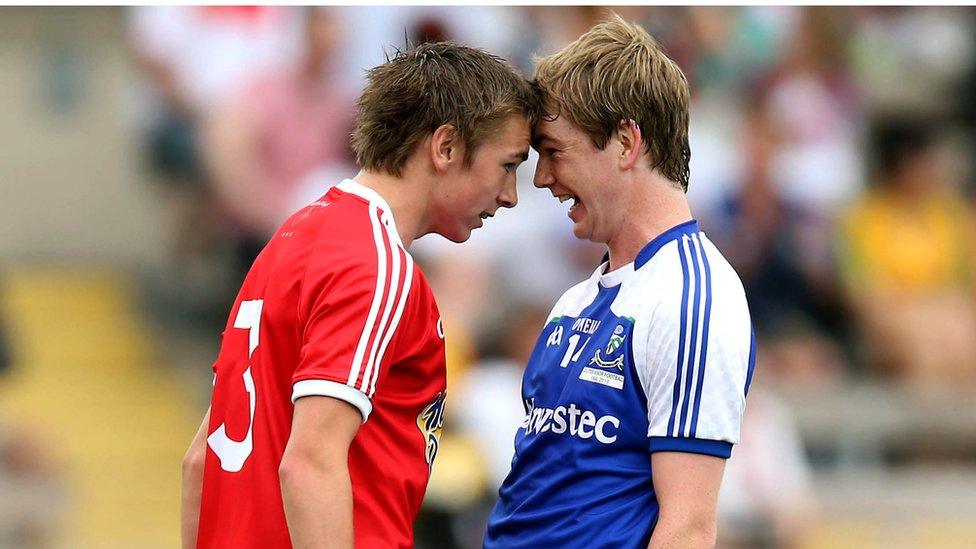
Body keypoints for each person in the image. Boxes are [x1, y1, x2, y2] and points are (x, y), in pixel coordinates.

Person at [180, 41, 539, 549]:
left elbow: (201, 461)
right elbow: (310, 462)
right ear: (446, 147)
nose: (510, 195)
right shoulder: (378, 266)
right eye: (507, 165)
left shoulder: (289, 240)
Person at [485, 15, 754, 547]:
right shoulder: (576, 300)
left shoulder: (693, 298)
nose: (541, 178)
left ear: (626, 142)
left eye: (555, 151)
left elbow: (689, 529)